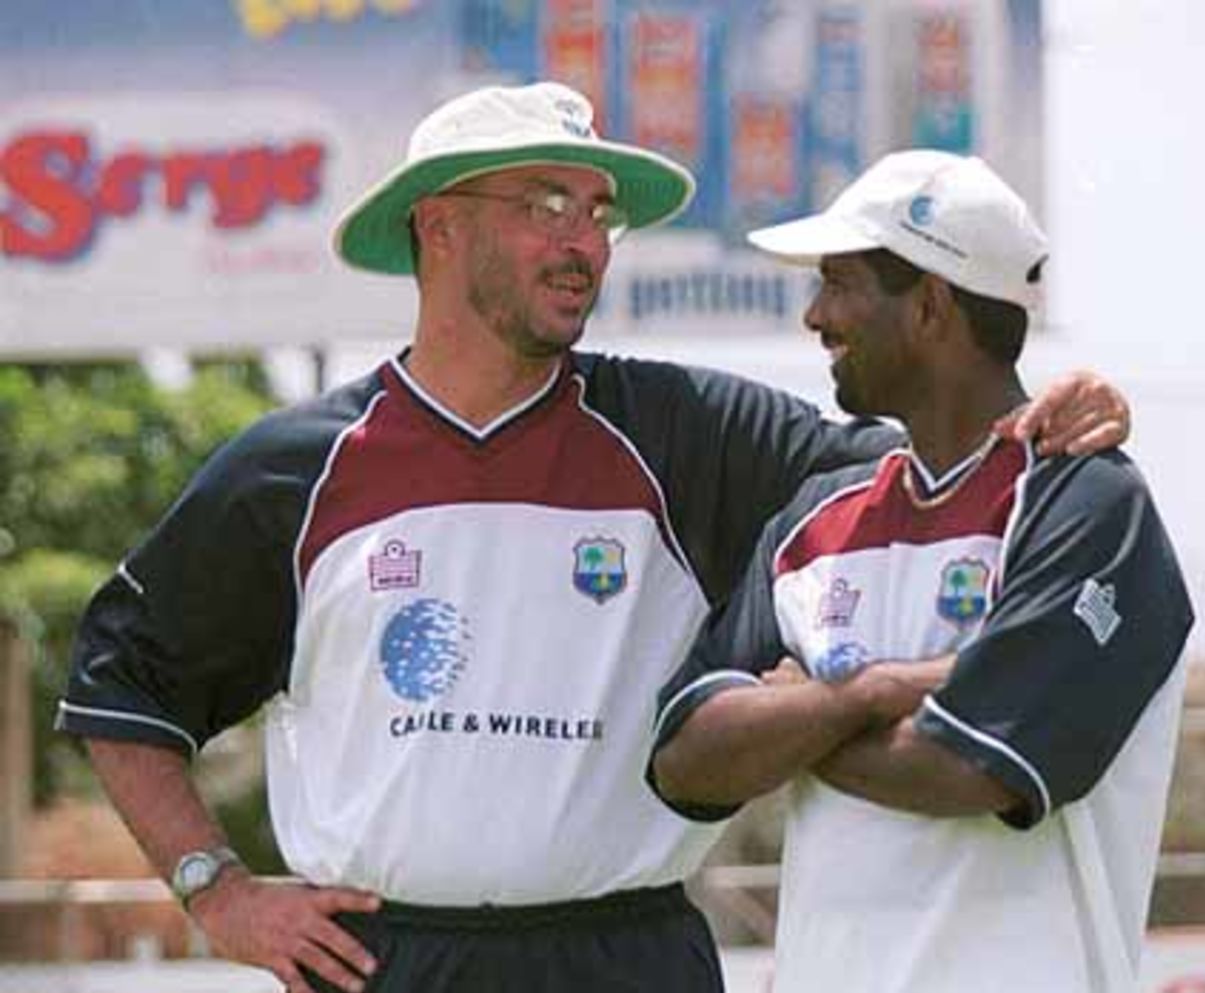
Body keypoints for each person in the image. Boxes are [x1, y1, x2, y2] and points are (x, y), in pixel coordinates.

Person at [57, 84, 1130, 993]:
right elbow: (121, 680)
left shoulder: (689, 434)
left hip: (629, 953)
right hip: (383, 960)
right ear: (438, 227)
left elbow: (927, 462)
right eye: (543, 204)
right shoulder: (297, 467)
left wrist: (1040, 411)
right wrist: (217, 891)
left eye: (597, 213)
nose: (582, 242)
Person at [649, 149, 1194, 993]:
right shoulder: (813, 520)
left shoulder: (1088, 506)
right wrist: (869, 694)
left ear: (932, 306)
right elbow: (686, 758)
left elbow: (967, 767)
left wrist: (794, 722)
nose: (816, 315)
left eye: (839, 282)